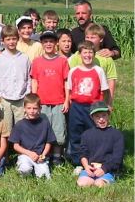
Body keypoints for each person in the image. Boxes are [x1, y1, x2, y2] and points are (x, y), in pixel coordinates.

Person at [65, 41, 110, 167]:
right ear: (80, 54)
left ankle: (94, 160)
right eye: (85, 52)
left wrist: (105, 106)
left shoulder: (98, 70)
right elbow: (69, 89)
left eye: (90, 52)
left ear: (94, 55)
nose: (88, 55)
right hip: (76, 107)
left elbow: (104, 91)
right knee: (75, 134)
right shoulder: (73, 71)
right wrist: (68, 103)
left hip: (93, 108)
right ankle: (78, 163)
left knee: (93, 133)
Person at [31, 30, 70, 166]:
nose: (48, 44)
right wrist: (34, 99)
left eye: (51, 42)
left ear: (56, 43)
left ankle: (57, 156)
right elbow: (34, 81)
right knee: (43, 130)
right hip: (42, 102)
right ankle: (44, 155)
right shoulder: (37, 62)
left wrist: (66, 100)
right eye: (46, 42)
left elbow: (66, 82)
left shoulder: (62, 61)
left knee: (59, 130)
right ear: (41, 43)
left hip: (59, 101)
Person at [0, 25, 31, 131]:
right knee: (5, 129)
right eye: (8, 39)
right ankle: (6, 147)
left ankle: (19, 147)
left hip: (21, 99)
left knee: (22, 127)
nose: (11, 42)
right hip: (4, 99)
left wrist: (27, 93)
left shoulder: (24, 58)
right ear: (3, 41)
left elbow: (29, 78)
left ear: (18, 39)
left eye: (14, 39)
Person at [76, 101, 124, 187]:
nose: (101, 119)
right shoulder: (86, 134)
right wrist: (86, 167)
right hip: (90, 169)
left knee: (99, 184)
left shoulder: (117, 135)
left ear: (108, 115)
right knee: (82, 183)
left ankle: (107, 180)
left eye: (104, 115)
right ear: (92, 117)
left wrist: (104, 169)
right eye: (97, 117)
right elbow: (83, 153)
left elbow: (117, 158)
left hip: (108, 169)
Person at [8, 94, 57, 179]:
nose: (32, 111)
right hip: (25, 155)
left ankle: (38, 171)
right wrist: (29, 153)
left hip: (40, 156)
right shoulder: (20, 125)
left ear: (40, 109)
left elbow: (48, 142)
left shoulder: (45, 123)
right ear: (24, 109)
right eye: (29, 108)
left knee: (44, 177)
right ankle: (25, 171)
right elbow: (15, 146)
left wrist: (43, 155)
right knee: (25, 169)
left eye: (35, 108)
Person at [68, 24, 117, 105]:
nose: (89, 40)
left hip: (98, 101)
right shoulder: (77, 56)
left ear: (101, 39)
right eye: (87, 37)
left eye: (93, 37)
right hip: (78, 100)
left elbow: (111, 80)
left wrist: (109, 103)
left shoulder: (106, 58)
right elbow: (70, 79)